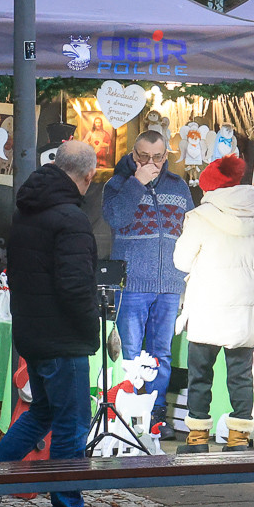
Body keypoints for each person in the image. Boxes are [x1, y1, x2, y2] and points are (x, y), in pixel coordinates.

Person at [0, 140, 118, 507]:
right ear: (89, 176)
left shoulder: (28, 209)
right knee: (71, 424)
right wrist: (93, 330)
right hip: (63, 338)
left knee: (42, 413)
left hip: (33, 332)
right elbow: (75, 286)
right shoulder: (71, 218)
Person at [173, 155, 254, 453]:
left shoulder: (200, 217)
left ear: (210, 188)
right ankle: (239, 439)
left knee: (200, 375)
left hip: (208, 305)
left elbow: (181, 261)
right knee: (241, 375)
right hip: (246, 309)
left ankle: (197, 440)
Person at [102, 129, 194, 440]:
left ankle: (155, 416)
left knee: (161, 354)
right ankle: (128, 415)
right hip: (132, 283)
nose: (150, 162)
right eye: (143, 156)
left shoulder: (178, 186)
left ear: (166, 156)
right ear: (133, 154)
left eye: (157, 157)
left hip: (170, 283)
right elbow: (116, 218)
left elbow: (191, 230)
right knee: (130, 354)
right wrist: (136, 183)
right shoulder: (117, 185)